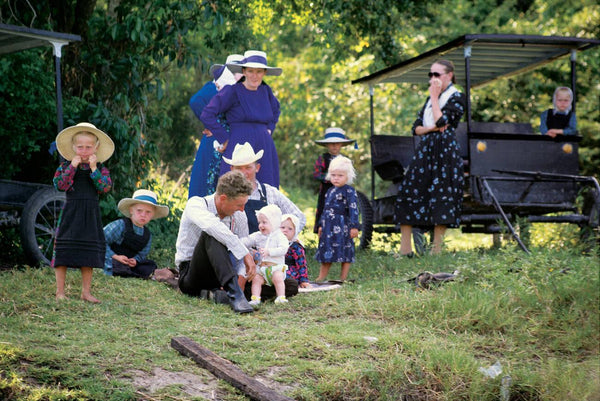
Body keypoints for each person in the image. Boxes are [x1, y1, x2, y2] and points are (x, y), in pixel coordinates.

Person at [395, 59, 466, 256]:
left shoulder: (457, 97)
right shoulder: (428, 101)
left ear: (449, 75)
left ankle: (436, 249)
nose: (433, 79)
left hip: (445, 152)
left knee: (442, 195)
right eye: (431, 75)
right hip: (426, 149)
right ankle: (405, 249)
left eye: (437, 75)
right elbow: (416, 128)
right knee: (408, 191)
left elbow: (443, 121)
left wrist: (435, 98)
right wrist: (432, 128)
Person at [175, 171, 255, 314]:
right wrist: (244, 253)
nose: (242, 209)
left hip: (223, 272)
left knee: (288, 286)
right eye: (239, 204)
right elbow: (212, 226)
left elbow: (244, 245)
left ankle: (218, 293)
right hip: (192, 274)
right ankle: (235, 295)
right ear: (223, 198)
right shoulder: (196, 205)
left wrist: (242, 277)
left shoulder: (239, 215)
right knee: (212, 234)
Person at [52, 122, 114, 303]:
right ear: (73, 147)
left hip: (90, 213)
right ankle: (60, 292)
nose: (84, 151)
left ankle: (85, 292)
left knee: (88, 254)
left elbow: (105, 187)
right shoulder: (65, 166)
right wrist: (72, 166)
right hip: (70, 211)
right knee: (63, 251)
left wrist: (94, 169)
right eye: (80, 147)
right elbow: (59, 185)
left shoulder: (100, 168)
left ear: (96, 147)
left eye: (88, 147)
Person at [200, 50, 282, 188]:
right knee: (234, 189)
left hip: (264, 146)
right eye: (250, 71)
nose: (254, 76)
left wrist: (269, 129)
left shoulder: (266, 91)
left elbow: (276, 110)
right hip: (238, 144)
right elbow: (207, 114)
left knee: (266, 189)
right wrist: (224, 138)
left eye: (259, 72)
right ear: (244, 71)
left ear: (264, 73)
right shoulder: (232, 91)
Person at [188, 54, 244, 198]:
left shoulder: (241, 90)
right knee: (208, 184)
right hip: (216, 143)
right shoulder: (218, 87)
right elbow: (196, 101)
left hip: (232, 142)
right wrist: (215, 127)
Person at [223, 142, 306, 235]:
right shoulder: (224, 195)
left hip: (268, 248)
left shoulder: (270, 192)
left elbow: (299, 218)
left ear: (257, 168)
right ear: (232, 169)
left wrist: (280, 238)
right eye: (239, 168)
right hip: (236, 247)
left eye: (248, 167)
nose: (243, 173)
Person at [103, 189, 170, 278]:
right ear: (131, 210)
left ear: (153, 214)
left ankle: (127, 271)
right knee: (111, 263)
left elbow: (142, 254)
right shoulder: (120, 225)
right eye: (139, 210)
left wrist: (135, 260)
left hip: (128, 262)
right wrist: (115, 256)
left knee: (150, 265)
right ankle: (120, 270)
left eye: (148, 212)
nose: (143, 215)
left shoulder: (147, 235)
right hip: (111, 257)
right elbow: (101, 240)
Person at [315, 156, 359, 282]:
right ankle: (321, 276)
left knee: (345, 251)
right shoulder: (329, 191)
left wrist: (354, 226)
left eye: (340, 175)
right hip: (328, 227)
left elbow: (354, 209)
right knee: (326, 251)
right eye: (333, 175)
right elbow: (325, 209)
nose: (336, 178)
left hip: (343, 226)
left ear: (347, 176)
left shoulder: (349, 191)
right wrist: (321, 226)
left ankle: (343, 278)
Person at [242, 205, 289, 306]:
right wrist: (238, 242)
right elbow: (246, 241)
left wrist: (270, 252)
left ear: (274, 222)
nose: (261, 225)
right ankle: (255, 298)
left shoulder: (279, 236)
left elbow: (284, 249)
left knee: (278, 278)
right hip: (262, 268)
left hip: (275, 267)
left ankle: (281, 297)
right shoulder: (258, 236)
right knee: (256, 279)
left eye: (264, 222)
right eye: (259, 222)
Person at [313, 127, 356, 233]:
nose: (334, 146)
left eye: (337, 143)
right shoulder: (323, 158)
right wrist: (330, 178)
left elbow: (349, 174)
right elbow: (316, 174)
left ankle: (342, 233)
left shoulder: (345, 160)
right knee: (324, 209)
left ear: (341, 144)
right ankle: (322, 231)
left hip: (342, 190)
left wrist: (342, 180)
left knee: (342, 210)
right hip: (326, 190)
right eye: (332, 143)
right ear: (327, 145)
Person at [281, 213, 310, 289]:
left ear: (295, 231)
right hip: (276, 269)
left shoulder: (296, 246)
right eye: (282, 227)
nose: (285, 230)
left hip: (290, 271)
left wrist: (304, 280)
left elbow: (301, 265)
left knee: (286, 278)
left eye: (290, 229)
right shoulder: (275, 243)